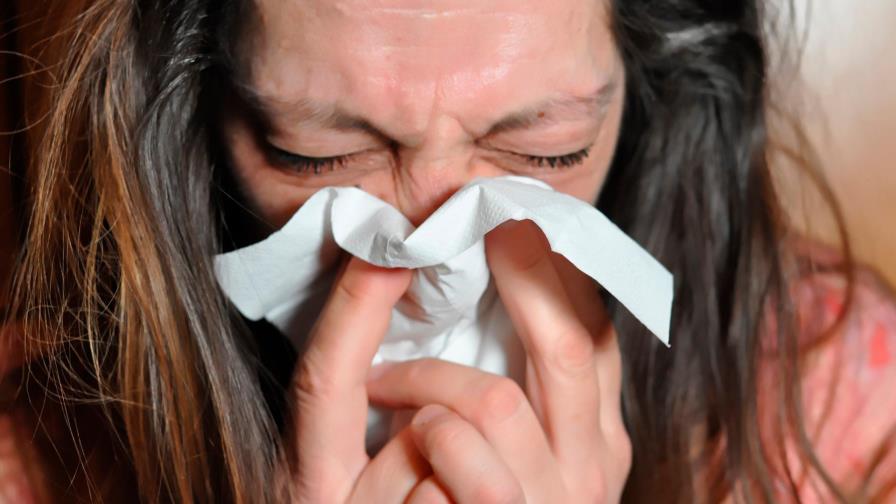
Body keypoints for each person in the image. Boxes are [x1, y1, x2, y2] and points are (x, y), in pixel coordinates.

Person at [1, 0, 894, 502]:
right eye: (317, 154)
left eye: (546, 152)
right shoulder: (39, 451)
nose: (435, 244)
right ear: (195, 119)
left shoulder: (849, 418)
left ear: (654, 93)